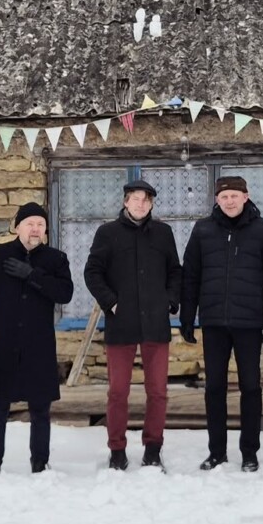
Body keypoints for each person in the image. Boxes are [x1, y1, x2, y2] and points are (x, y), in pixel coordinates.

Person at [180, 174, 263, 472]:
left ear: (245, 197)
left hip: (249, 323)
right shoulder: (203, 230)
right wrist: (187, 317)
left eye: (234, 196)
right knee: (214, 387)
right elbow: (190, 276)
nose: (229, 201)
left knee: (250, 387)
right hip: (214, 322)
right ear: (217, 199)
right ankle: (217, 451)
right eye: (224, 196)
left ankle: (249, 452)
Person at [0, 202, 74, 475]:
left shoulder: (56, 259)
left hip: (39, 347)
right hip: (3, 345)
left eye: (40, 225)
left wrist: (32, 275)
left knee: (40, 410)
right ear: (17, 228)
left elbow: (65, 293)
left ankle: (40, 463)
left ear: (45, 230)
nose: (35, 229)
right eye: (30, 224)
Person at [83, 178, 182, 470]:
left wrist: (169, 301)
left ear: (151, 204)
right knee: (118, 392)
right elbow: (93, 272)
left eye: (146, 199)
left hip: (155, 323)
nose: (141, 204)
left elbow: (175, 272)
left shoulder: (163, 233)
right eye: (136, 198)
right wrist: (111, 302)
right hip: (121, 323)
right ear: (126, 201)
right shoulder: (108, 233)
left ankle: (153, 448)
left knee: (158, 391)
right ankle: (117, 450)